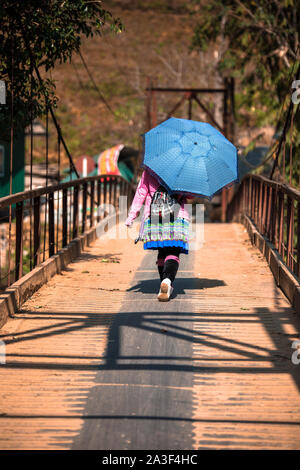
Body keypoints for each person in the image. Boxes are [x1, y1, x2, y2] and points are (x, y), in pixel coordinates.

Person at [125, 169, 191, 301]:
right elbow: (190, 195)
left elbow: (140, 193)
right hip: (176, 216)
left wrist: (132, 216)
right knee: (173, 250)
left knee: (162, 250)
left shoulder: (150, 170)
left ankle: (164, 282)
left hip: (155, 216)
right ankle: (167, 281)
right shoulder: (183, 169)